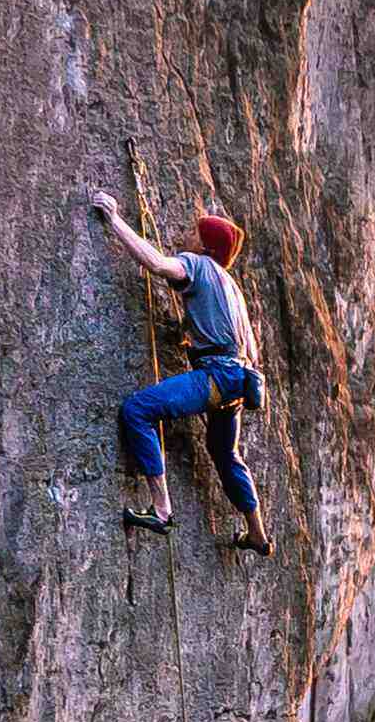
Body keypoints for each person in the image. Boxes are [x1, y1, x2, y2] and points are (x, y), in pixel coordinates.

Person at [91, 186, 272, 553]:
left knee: (138, 410)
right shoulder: (233, 289)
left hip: (217, 375)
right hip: (238, 380)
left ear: (206, 248)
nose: (186, 236)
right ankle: (256, 532)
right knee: (225, 454)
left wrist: (114, 220)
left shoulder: (200, 265)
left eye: (193, 233)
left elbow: (158, 265)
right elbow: (251, 349)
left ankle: (161, 510)